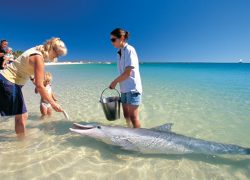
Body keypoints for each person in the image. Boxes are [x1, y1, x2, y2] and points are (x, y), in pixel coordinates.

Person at [0, 37, 67, 136]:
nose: (57, 57)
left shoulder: (35, 50)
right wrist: (53, 104)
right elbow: (40, 86)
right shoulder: (38, 58)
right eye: (58, 54)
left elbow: (25, 67)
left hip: (5, 80)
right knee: (22, 116)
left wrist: (33, 81)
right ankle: (22, 144)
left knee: (20, 114)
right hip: (9, 82)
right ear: (51, 49)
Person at [109, 28, 142, 128]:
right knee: (126, 115)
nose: (112, 42)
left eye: (113, 40)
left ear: (122, 38)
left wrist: (114, 82)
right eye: (111, 40)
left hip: (133, 89)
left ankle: (139, 140)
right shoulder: (119, 53)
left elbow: (127, 73)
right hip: (124, 89)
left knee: (133, 117)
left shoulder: (129, 50)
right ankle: (129, 133)